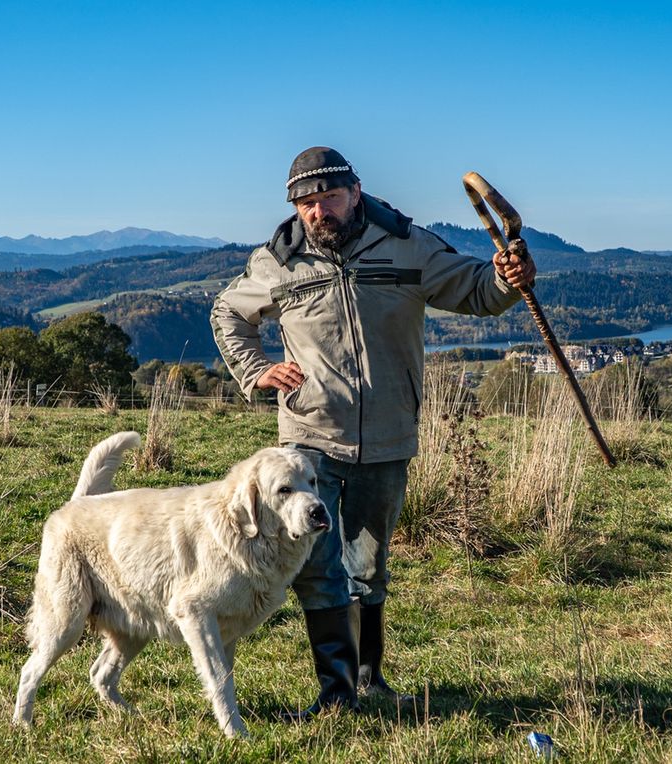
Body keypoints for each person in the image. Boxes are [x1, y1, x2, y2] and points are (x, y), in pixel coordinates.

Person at [210, 146, 535, 719]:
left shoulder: (409, 245)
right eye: (306, 203)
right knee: (317, 564)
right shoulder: (277, 263)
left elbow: (479, 291)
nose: (318, 212)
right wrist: (257, 369)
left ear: (355, 193)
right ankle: (336, 699)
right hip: (309, 438)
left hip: (388, 433)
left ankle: (368, 681)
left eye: (328, 198)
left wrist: (510, 280)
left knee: (370, 563)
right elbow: (228, 313)